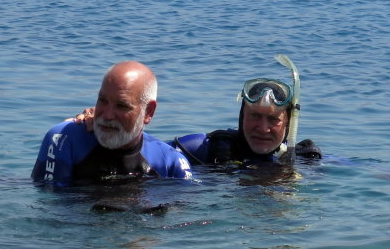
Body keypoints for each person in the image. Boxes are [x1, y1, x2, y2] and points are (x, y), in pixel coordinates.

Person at [70, 55, 321, 167]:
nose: (262, 128)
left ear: (288, 123)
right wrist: (103, 121)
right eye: (254, 116)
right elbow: (143, 148)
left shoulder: (305, 161)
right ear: (242, 116)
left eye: (273, 120)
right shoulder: (202, 147)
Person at [32, 61, 192, 187]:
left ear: (148, 112)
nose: (107, 115)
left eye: (122, 106)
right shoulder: (63, 140)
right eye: (102, 101)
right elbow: (50, 208)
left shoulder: (170, 164)